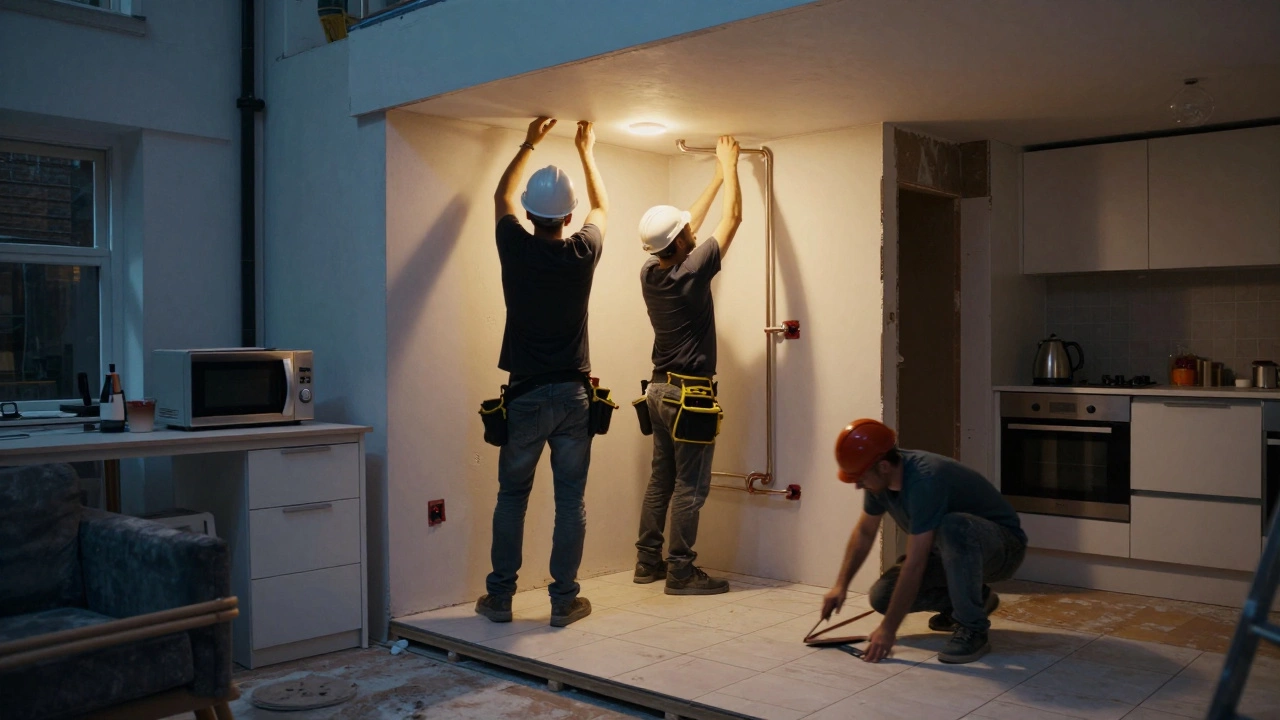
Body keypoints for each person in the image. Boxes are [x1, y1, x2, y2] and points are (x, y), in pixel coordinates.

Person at [475, 116, 608, 628]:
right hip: (574, 396)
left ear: (530, 213)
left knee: (512, 496)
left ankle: (500, 598)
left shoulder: (514, 244)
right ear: (568, 215)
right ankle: (562, 601)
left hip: (525, 395)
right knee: (570, 499)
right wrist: (586, 149)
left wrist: (529, 142)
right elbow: (603, 208)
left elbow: (500, 196)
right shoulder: (583, 251)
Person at [821, 419, 1027, 664]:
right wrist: (840, 585)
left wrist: (888, 629)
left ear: (884, 466)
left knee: (953, 527)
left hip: (1001, 549)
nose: (857, 485)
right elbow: (865, 532)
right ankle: (976, 600)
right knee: (882, 596)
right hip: (951, 554)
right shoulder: (878, 482)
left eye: (860, 477)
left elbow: (916, 564)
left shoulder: (925, 480)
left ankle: (973, 627)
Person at [632, 136, 742, 595]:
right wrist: (732, 166)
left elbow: (686, 226)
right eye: (684, 232)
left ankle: (647, 562)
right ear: (680, 243)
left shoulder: (651, 272)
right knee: (690, 487)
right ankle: (679, 571)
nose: (691, 230)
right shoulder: (694, 270)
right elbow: (732, 218)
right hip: (689, 396)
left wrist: (716, 173)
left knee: (662, 477)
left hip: (658, 391)